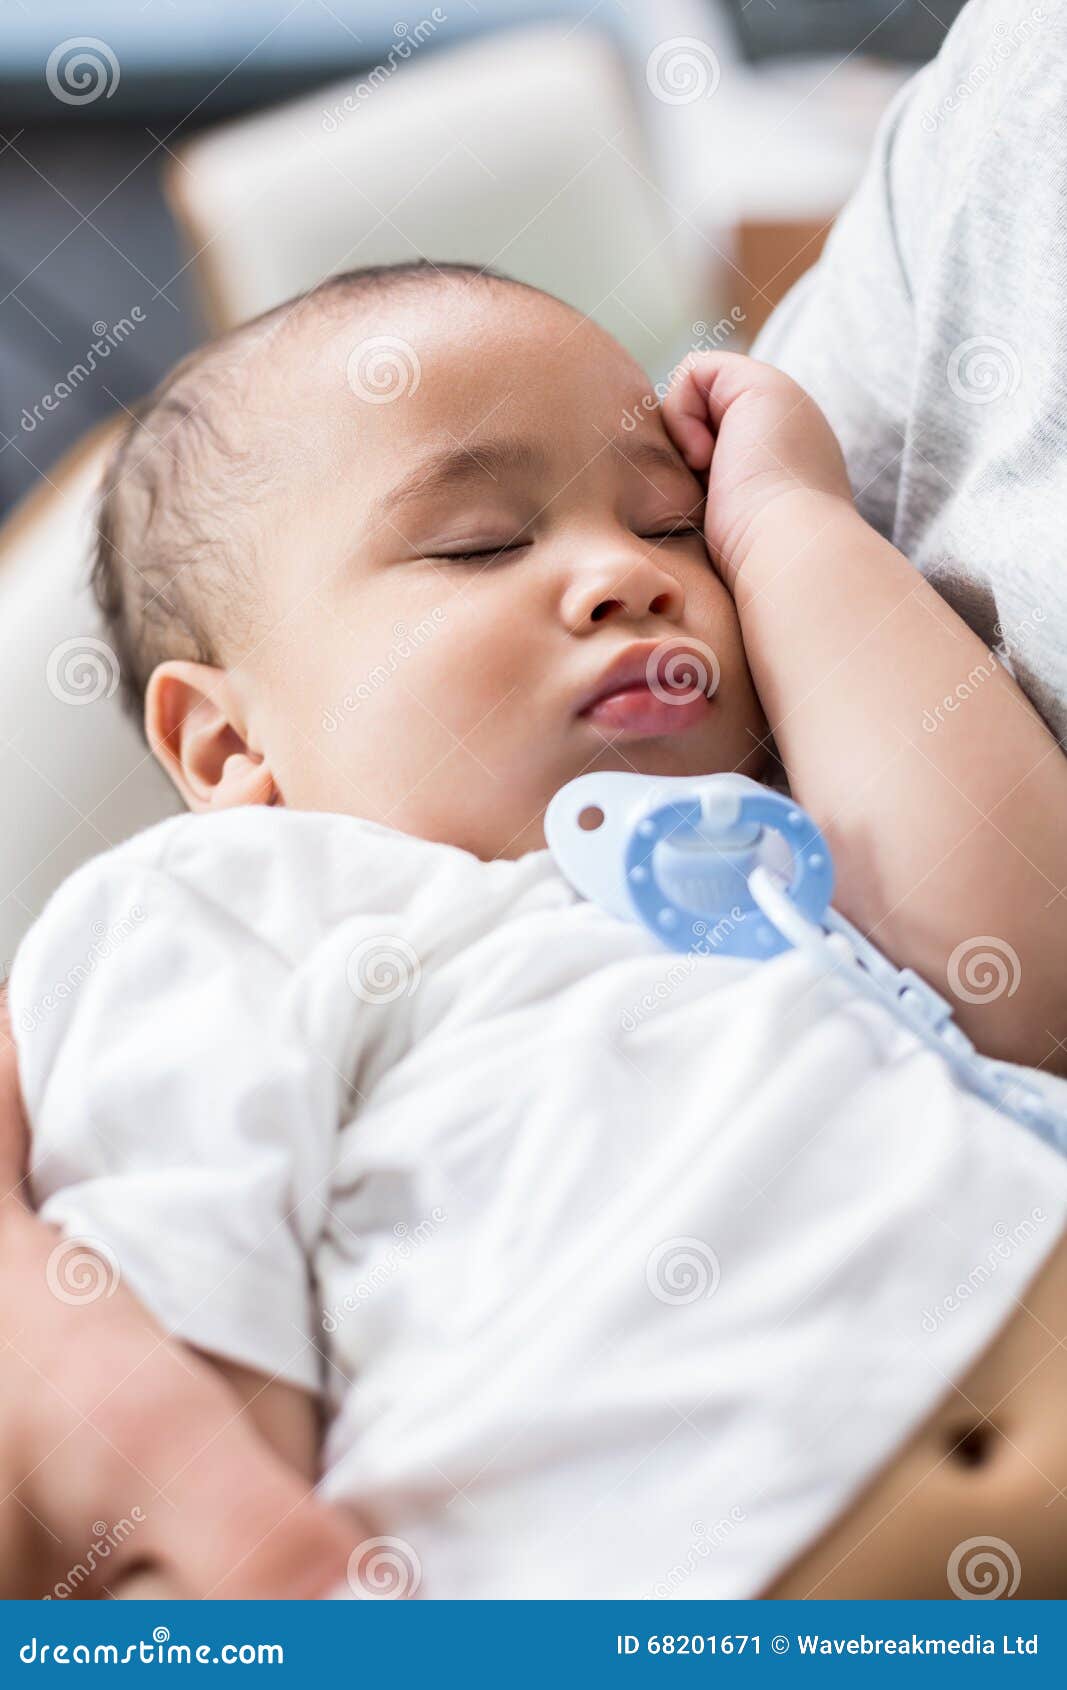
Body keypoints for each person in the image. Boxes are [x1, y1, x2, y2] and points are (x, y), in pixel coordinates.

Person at [5, 259, 1067, 1599]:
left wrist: (790, 519)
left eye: (672, 524)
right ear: (225, 742)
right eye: (481, 543)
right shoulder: (231, 910)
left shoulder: (770, 844)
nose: (624, 571)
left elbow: (1024, 981)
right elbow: (199, 1396)